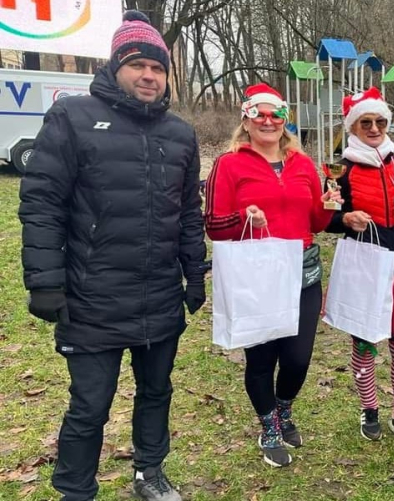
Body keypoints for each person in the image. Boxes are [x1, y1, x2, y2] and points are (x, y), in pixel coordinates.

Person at [18, 11, 206, 501]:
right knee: (89, 405)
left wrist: (195, 273)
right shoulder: (72, 118)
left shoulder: (181, 135)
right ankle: (76, 490)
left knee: (157, 393)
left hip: (159, 294)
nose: (149, 76)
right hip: (91, 296)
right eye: (138, 64)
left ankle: (150, 473)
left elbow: (188, 212)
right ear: (116, 67)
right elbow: (41, 202)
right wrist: (44, 280)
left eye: (158, 68)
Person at [204, 83, 341, 467]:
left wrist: (328, 206)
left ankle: (283, 409)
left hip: (302, 272)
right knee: (262, 360)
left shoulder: (303, 164)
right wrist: (243, 218)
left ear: (285, 120)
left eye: (275, 114)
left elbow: (315, 220)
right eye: (258, 114)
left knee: (298, 358)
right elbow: (214, 225)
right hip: (258, 273)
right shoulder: (228, 164)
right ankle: (268, 425)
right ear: (245, 120)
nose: (268, 121)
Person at [325, 87, 394, 449]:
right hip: (364, 272)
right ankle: (369, 408)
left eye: (380, 122)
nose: (374, 128)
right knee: (365, 347)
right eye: (365, 122)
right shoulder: (342, 170)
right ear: (353, 127)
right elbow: (325, 217)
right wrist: (344, 218)